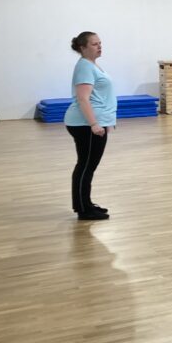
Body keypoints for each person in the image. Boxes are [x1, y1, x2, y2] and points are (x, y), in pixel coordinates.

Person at [65, 31, 116, 221]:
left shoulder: (91, 65)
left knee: (88, 166)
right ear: (83, 47)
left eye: (100, 43)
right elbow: (83, 98)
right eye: (94, 44)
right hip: (85, 125)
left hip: (93, 123)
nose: (99, 46)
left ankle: (86, 203)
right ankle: (82, 208)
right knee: (86, 166)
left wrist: (106, 121)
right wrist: (94, 123)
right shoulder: (85, 67)